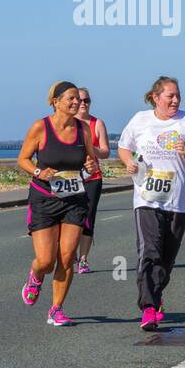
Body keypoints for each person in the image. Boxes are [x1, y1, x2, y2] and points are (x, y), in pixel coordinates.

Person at [117, 75, 185, 331]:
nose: (176, 100)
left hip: (178, 201)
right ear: (156, 97)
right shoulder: (140, 120)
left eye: (178, 95)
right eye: (170, 95)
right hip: (146, 197)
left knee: (167, 258)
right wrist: (128, 162)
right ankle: (148, 308)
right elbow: (124, 147)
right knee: (150, 251)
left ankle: (155, 297)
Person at [17, 80, 103, 326]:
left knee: (66, 258)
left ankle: (56, 309)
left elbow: (90, 160)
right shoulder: (40, 127)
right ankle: (35, 276)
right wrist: (37, 172)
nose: (77, 102)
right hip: (45, 198)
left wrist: (90, 165)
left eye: (79, 98)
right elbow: (22, 158)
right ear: (55, 102)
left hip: (75, 199)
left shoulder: (83, 129)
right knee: (46, 260)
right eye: (71, 99)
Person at [74, 87, 110, 274]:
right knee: (71, 217)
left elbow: (105, 152)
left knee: (87, 218)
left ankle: (83, 259)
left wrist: (91, 148)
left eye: (86, 100)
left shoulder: (97, 123)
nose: (82, 104)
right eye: (79, 100)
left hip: (92, 177)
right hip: (70, 178)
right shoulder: (67, 123)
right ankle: (69, 250)